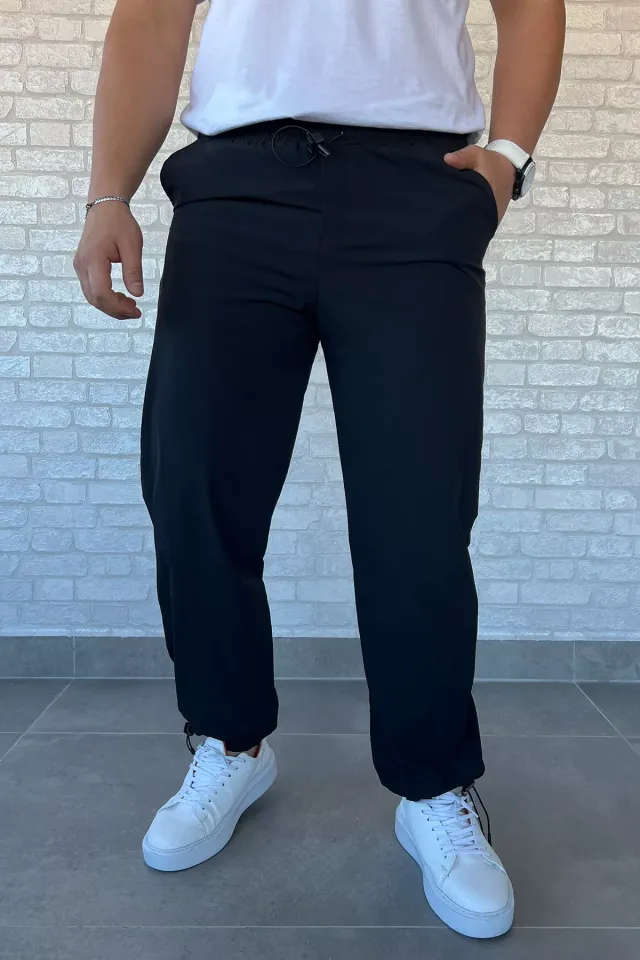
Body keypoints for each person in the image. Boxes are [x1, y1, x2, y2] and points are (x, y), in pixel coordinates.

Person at [74, 0, 565, 940]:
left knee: (418, 510)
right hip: (235, 190)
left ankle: (433, 785)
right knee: (195, 486)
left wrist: (507, 157)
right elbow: (153, 14)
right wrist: (108, 196)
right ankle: (230, 740)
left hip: (416, 190)